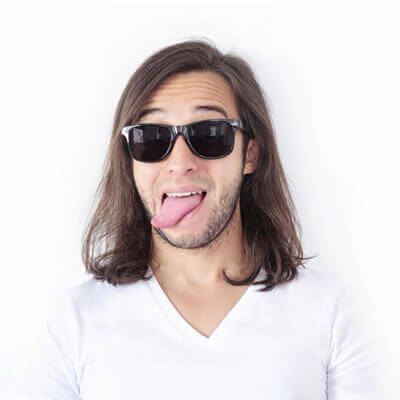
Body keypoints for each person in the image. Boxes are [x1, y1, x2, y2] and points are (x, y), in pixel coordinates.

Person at [4, 38, 388, 399]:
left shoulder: (331, 312)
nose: (180, 163)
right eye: (152, 138)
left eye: (210, 134)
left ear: (250, 154)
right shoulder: (73, 322)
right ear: (130, 160)